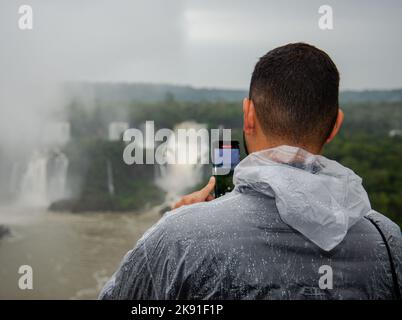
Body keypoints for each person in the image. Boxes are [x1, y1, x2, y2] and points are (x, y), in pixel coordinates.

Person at [99, 43, 401, 300]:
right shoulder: (387, 241)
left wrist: (183, 225)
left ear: (249, 115)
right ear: (336, 125)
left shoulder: (178, 239)